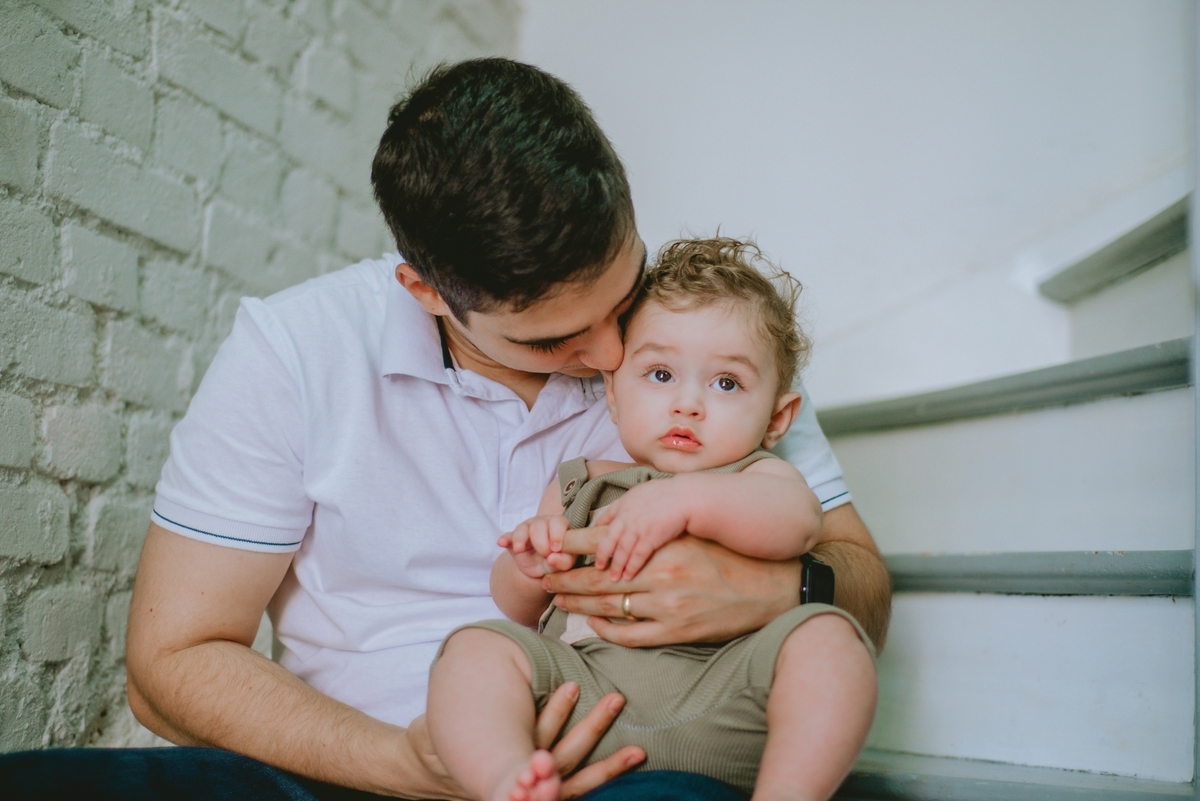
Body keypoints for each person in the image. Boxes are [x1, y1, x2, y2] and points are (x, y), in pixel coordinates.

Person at [0, 59, 890, 800]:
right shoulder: (298, 350)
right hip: (351, 761)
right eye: (555, 338)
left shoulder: (699, 339)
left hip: (615, 753)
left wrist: (782, 592)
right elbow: (169, 666)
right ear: (425, 290)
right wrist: (410, 762)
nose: (616, 351)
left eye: (622, 298)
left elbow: (861, 585)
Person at [427, 238, 877, 801]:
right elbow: (518, 606)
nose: (688, 404)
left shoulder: (760, 476)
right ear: (612, 393)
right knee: (475, 647)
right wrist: (528, 565)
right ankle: (506, 778)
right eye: (661, 375)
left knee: (830, 638)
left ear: (777, 418)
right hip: (583, 689)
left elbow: (799, 525)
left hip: (727, 696)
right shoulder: (579, 480)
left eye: (727, 383)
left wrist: (687, 500)